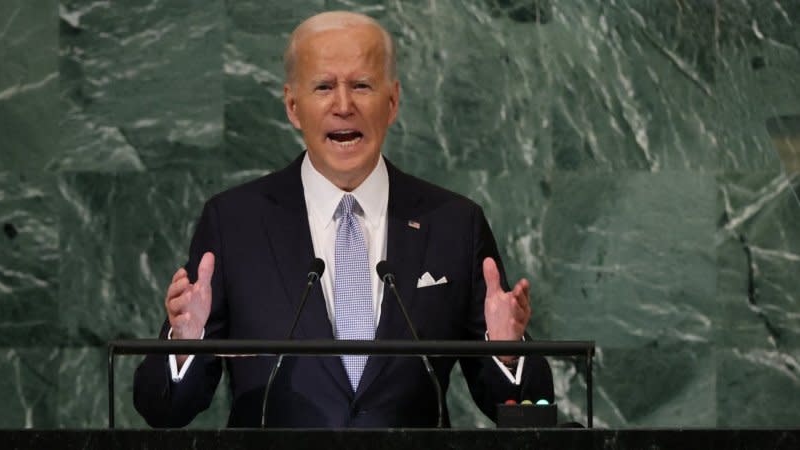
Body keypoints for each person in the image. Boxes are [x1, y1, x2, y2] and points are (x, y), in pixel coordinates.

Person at [133, 10, 553, 428]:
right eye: (323, 87)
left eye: (362, 86)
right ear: (293, 107)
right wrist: (184, 346)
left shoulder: (454, 224)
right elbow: (163, 410)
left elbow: (529, 407)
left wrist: (508, 352)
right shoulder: (234, 223)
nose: (343, 105)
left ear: (392, 102)